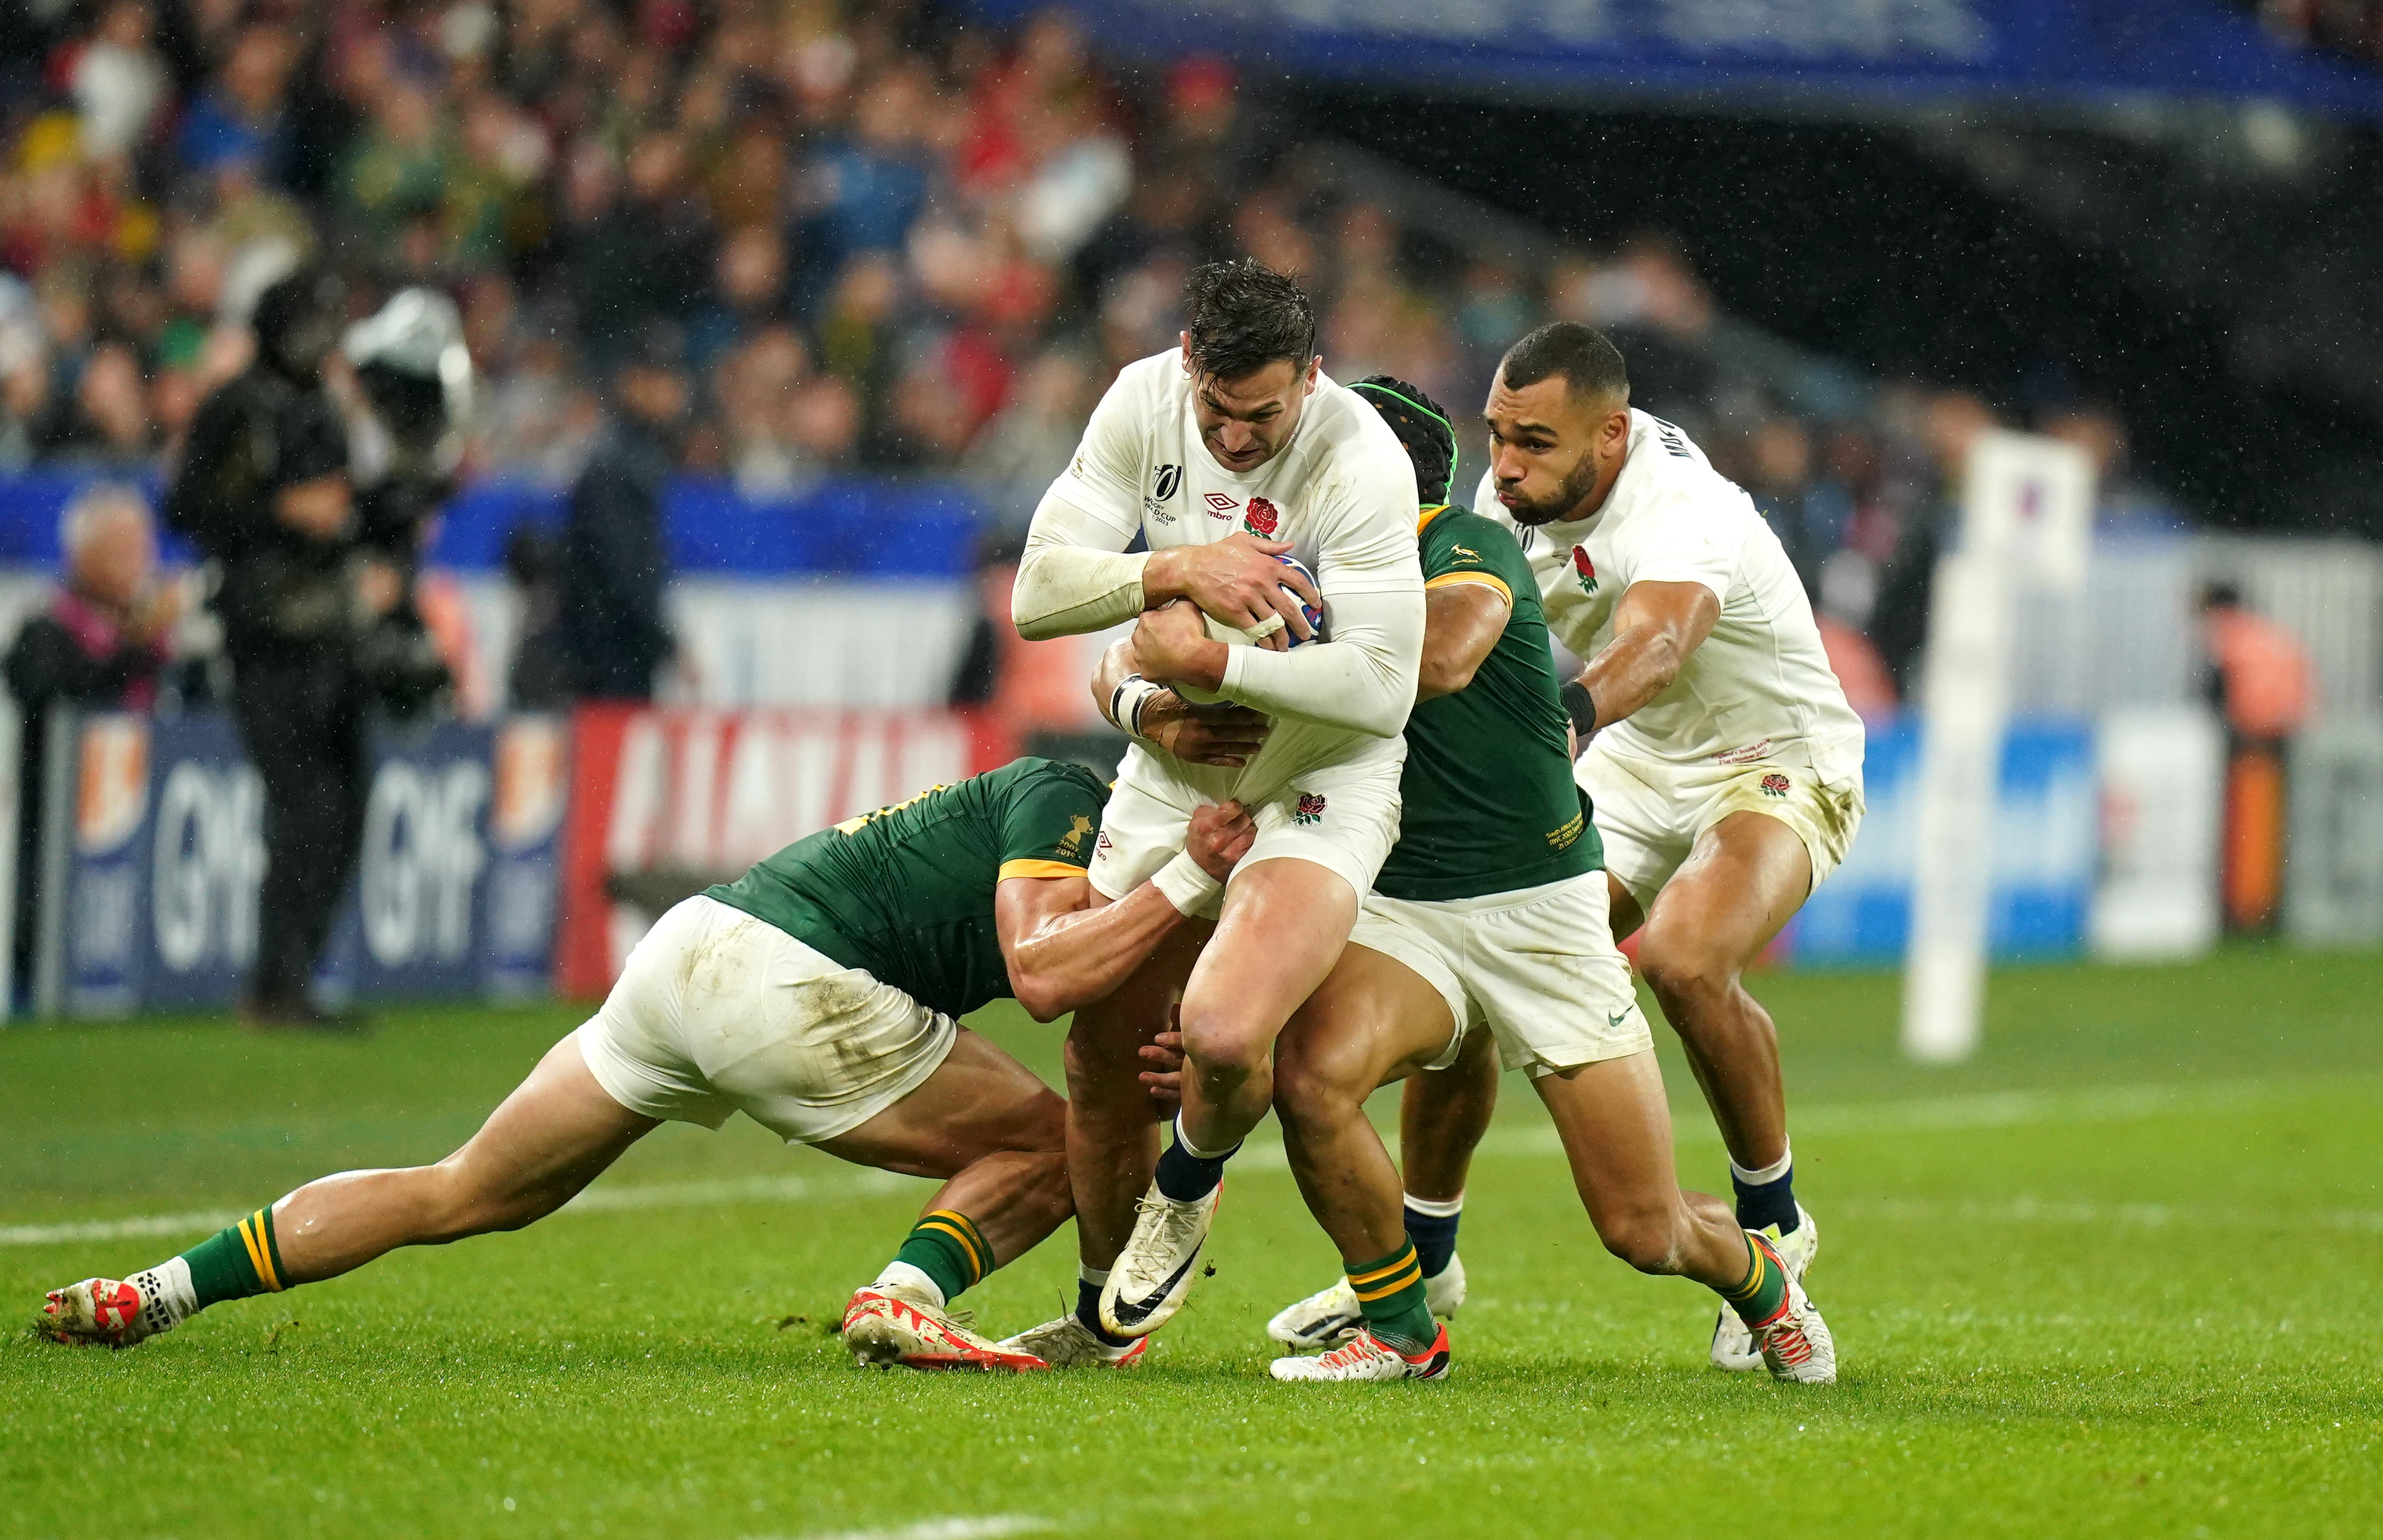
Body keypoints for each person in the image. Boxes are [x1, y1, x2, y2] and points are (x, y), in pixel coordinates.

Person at [41, 758, 1258, 1373]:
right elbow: (1043, 967)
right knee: (1047, 1140)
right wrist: (1185, 889)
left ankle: (153, 1292)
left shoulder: (1057, 816)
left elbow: (1100, 994)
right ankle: (908, 1293)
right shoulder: (1065, 799)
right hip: (790, 980)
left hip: (687, 954)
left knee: (460, 1189)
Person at [1229, 377, 1833, 1383]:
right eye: (1496, 439)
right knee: (1314, 1075)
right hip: (1449, 890)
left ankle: (1767, 1250)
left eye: (1531, 442)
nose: (1503, 467)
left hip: (1749, 751)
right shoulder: (1426, 532)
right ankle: (1408, 1297)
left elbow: (1611, 643)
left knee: (1645, 1207)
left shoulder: (1513, 537)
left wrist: (1576, 714)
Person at [997, 259, 1423, 1365]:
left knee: (1227, 1036)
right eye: (1217, 414)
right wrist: (1177, 572)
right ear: (1188, 364)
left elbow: (1383, 681)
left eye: (1262, 416)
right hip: (1178, 767)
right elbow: (1038, 592)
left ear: (1312, 379)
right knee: (1099, 1059)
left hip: (1321, 776)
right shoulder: (1144, 401)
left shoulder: (1358, 455)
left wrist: (1212, 666)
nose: (1235, 440)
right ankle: (1104, 1318)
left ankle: (1186, 1188)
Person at [163, 265, 394, 1030]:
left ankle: (292, 979)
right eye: (314, 320)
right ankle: (276, 988)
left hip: (330, 628)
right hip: (264, 634)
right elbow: (185, 508)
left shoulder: (326, 406)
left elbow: (352, 506)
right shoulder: (234, 406)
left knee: (345, 805)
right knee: (304, 807)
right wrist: (278, 511)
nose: (325, 337)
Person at [2, 484, 181, 1006]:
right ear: (82, 556)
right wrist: (132, 646)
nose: (139, 562)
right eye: (122, 549)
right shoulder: (47, 627)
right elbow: (52, 696)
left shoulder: (158, 639)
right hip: (51, 843)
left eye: (143, 547)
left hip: (133, 835)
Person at [559, 323, 685, 702]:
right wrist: (663, 640)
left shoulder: (632, 453)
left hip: (610, 646)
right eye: (662, 377)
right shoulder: (619, 462)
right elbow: (624, 567)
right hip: (609, 651)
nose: (675, 390)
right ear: (632, 382)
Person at [2198, 582, 2311, 934]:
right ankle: (2268, 911)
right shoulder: (2273, 635)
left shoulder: (2228, 638)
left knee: (2238, 833)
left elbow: (2216, 692)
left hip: (2245, 743)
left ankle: (2241, 915)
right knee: (2274, 833)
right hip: (2285, 741)